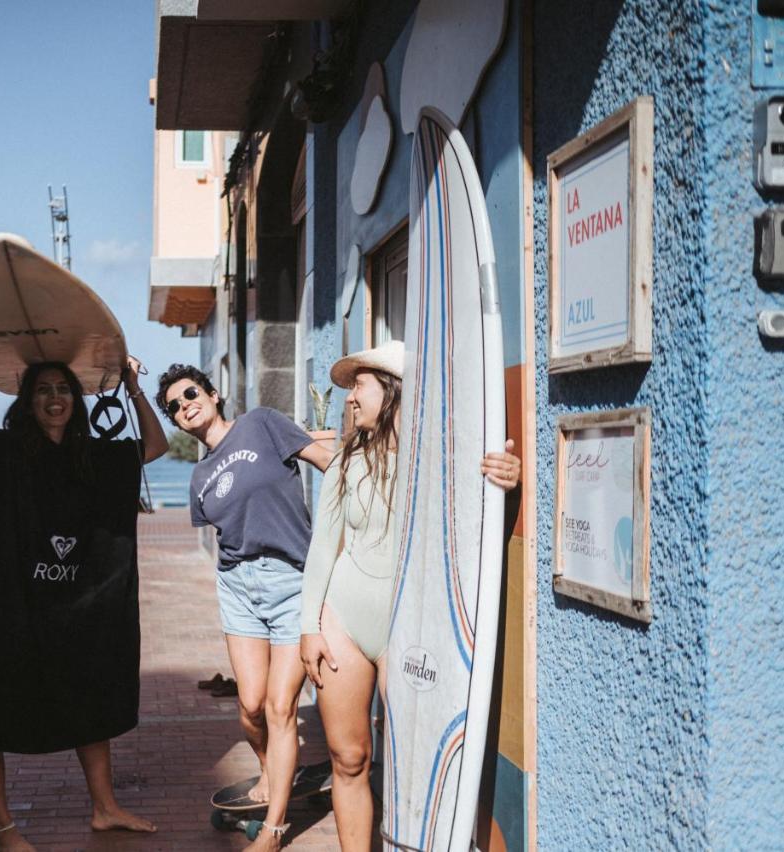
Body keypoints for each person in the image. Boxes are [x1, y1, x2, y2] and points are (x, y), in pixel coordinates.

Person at [0, 350, 168, 851]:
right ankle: (3, 829)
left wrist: (133, 385)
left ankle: (105, 808)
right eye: (43, 390)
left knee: (91, 701)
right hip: (5, 610)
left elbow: (156, 445)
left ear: (75, 401)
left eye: (63, 390)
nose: (55, 399)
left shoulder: (95, 455)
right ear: (27, 401)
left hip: (77, 611)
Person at [298, 341, 520, 850]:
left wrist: (511, 482)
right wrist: (309, 627)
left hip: (414, 628)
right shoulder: (346, 464)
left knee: (420, 760)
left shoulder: (447, 462)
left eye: (359, 386)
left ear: (394, 391)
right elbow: (321, 553)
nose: (350, 399)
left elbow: (477, 530)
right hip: (345, 622)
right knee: (349, 756)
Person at [155, 364, 334, 852]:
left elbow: (330, 464)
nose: (184, 404)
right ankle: (270, 770)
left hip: (289, 578)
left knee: (281, 707)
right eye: (173, 405)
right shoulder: (198, 478)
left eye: (190, 393)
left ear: (213, 393)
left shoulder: (262, 423)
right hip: (237, 586)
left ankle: (274, 829)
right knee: (251, 706)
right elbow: (225, 537)